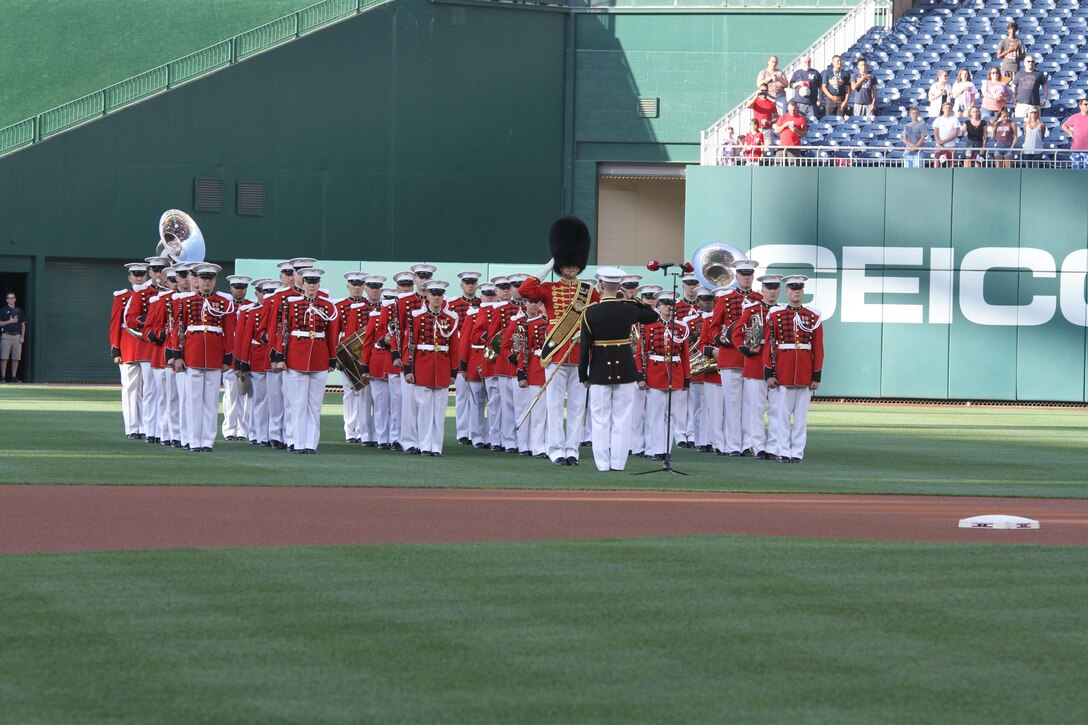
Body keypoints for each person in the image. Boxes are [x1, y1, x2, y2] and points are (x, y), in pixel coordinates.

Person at [518, 217, 601, 467]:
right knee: (554, 405)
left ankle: (572, 450)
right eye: (566, 263)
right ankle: (555, 449)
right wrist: (551, 262)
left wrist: (585, 334)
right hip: (555, 351)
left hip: (579, 353)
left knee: (577, 406)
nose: (571, 268)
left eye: (575, 264)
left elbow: (595, 318)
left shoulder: (590, 291)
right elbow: (525, 289)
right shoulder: (548, 289)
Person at [578, 267, 660, 472]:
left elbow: (585, 347)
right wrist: (633, 299)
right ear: (619, 287)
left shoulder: (590, 312)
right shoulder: (627, 309)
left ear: (601, 286)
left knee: (600, 419)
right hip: (625, 369)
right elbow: (652, 316)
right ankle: (618, 463)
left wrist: (583, 373)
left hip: (598, 370)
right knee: (623, 418)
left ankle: (603, 464)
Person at [171, 263, 236, 452]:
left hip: (215, 356)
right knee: (192, 401)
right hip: (192, 354)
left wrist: (227, 358)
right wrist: (177, 356)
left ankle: (207, 441)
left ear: (215, 281)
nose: (206, 282)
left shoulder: (224, 303)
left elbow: (229, 332)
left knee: (210, 401)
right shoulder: (186, 301)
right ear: (197, 280)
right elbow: (178, 330)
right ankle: (193, 441)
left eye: (210, 279)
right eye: (203, 279)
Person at [277, 267, 339, 454]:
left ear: (319, 285)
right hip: (296, 356)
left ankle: (310, 443)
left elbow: (331, 334)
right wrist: (280, 356)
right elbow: (283, 331)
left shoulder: (328, 306)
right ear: (302, 284)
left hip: (319, 356)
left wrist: (331, 358)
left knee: (314, 405)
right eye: (308, 283)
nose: (311, 286)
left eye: (315, 283)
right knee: (296, 403)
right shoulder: (291, 304)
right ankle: (295, 442)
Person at [705, 259, 762, 456]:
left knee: (751, 404)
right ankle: (732, 444)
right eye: (743, 275)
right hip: (731, 357)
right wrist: (720, 337)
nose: (746, 278)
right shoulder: (725, 299)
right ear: (736, 276)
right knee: (731, 403)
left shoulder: (759, 299)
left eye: (749, 275)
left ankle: (747, 444)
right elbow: (713, 327)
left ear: (752, 277)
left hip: (754, 358)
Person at [764, 275, 823, 463]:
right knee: (781, 415)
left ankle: (797, 452)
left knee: (800, 417)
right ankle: (783, 451)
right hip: (784, 368)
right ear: (787, 291)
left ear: (803, 292)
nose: (796, 292)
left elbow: (818, 348)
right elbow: (770, 346)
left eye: (799, 289)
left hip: (805, 371)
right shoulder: (775, 314)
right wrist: (769, 372)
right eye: (792, 289)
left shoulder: (813, 315)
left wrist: (816, 375)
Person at [403, 280, 459, 457]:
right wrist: (408, 369)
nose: (436, 298)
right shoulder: (417, 316)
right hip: (423, 365)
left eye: (439, 294)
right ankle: (424, 445)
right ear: (427, 296)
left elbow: (454, 347)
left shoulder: (450, 318)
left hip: (442, 366)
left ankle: (436, 446)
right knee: (425, 408)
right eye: (433, 294)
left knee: (440, 409)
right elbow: (410, 344)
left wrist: (453, 371)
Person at [637, 292, 691, 462]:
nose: (668, 308)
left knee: (672, 414)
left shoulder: (682, 328)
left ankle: (666, 449)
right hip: (654, 373)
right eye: (665, 304)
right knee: (655, 414)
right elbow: (640, 353)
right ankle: (655, 449)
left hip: (675, 373)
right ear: (658, 306)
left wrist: (686, 378)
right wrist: (640, 376)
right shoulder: (648, 326)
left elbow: (685, 355)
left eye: (671, 304)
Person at [733, 275, 782, 459]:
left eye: (774, 288)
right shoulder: (752, 309)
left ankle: (774, 447)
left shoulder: (783, 311)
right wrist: (746, 349)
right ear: (762, 290)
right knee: (755, 409)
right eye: (768, 288)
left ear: (779, 291)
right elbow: (737, 334)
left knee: (777, 409)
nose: (771, 291)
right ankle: (758, 446)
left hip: (777, 363)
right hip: (755, 362)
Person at [110, 262, 153, 440]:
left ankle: (145, 426)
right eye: (135, 275)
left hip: (146, 345)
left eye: (142, 274)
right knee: (130, 388)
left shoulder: (153, 295)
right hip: (127, 346)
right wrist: (115, 349)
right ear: (129, 277)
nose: (139, 278)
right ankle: (132, 427)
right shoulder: (122, 297)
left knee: (146, 389)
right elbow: (115, 324)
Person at [448, 270, 481, 445]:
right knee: (461, 396)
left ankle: (475, 432)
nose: (470, 285)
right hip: (460, 352)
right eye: (467, 283)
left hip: (476, 355)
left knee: (477, 397)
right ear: (462, 285)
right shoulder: (452, 305)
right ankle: (462, 433)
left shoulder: (483, 304)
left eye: (473, 283)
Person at [0, 292, 27, 383]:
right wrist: (10, 321)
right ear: (7, 300)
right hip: (6, 336)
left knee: (16, 358)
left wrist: (22, 337)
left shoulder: (19, 311)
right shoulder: (3, 311)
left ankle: (13, 377)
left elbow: (23, 325)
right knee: (4, 357)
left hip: (17, 336)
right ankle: (3, 377)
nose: (11, 299)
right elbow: (0, 323)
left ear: (15, 299)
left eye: (13, 298)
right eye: (9, 298)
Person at [747, 83, 778, 149]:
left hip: (767, 129)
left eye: (765, 90)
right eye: (762, 90)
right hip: (757, 129)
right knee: (756, 149)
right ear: (759, 90)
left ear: (767, 91)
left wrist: (770, 122)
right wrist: (755, 97)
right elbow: (748, 106)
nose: (764, 92)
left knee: (768, 151)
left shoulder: (771, 103)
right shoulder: (756, 101)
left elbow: (777, 117)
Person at [932, 101, 963, 167]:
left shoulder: (955, 120)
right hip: (939, 146)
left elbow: (955, 134)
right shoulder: (938, 120)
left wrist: (943, 141)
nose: (947, 109)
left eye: (949, 108)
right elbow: (936, 133)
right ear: (943, 109)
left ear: (951, 109)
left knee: (950, 165)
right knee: (937, 164)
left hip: (951, 146)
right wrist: (939, 142)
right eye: (946, 107)